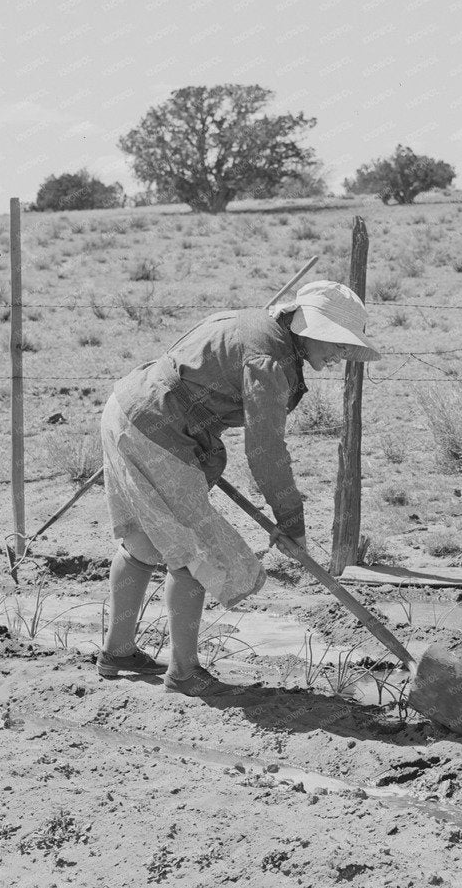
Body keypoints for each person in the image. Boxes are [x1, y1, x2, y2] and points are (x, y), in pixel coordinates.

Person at [94, 279, 381, 695]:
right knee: (196, 553)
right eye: (334, 342)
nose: (339, 353)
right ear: (306, 326)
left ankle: (118, 653)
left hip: (127, 408)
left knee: (143, 542)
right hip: (157, 430)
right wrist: (291, 521)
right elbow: (265, 452)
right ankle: (185, 673)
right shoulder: (269, 360)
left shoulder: (257, 326)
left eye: (344, 345)